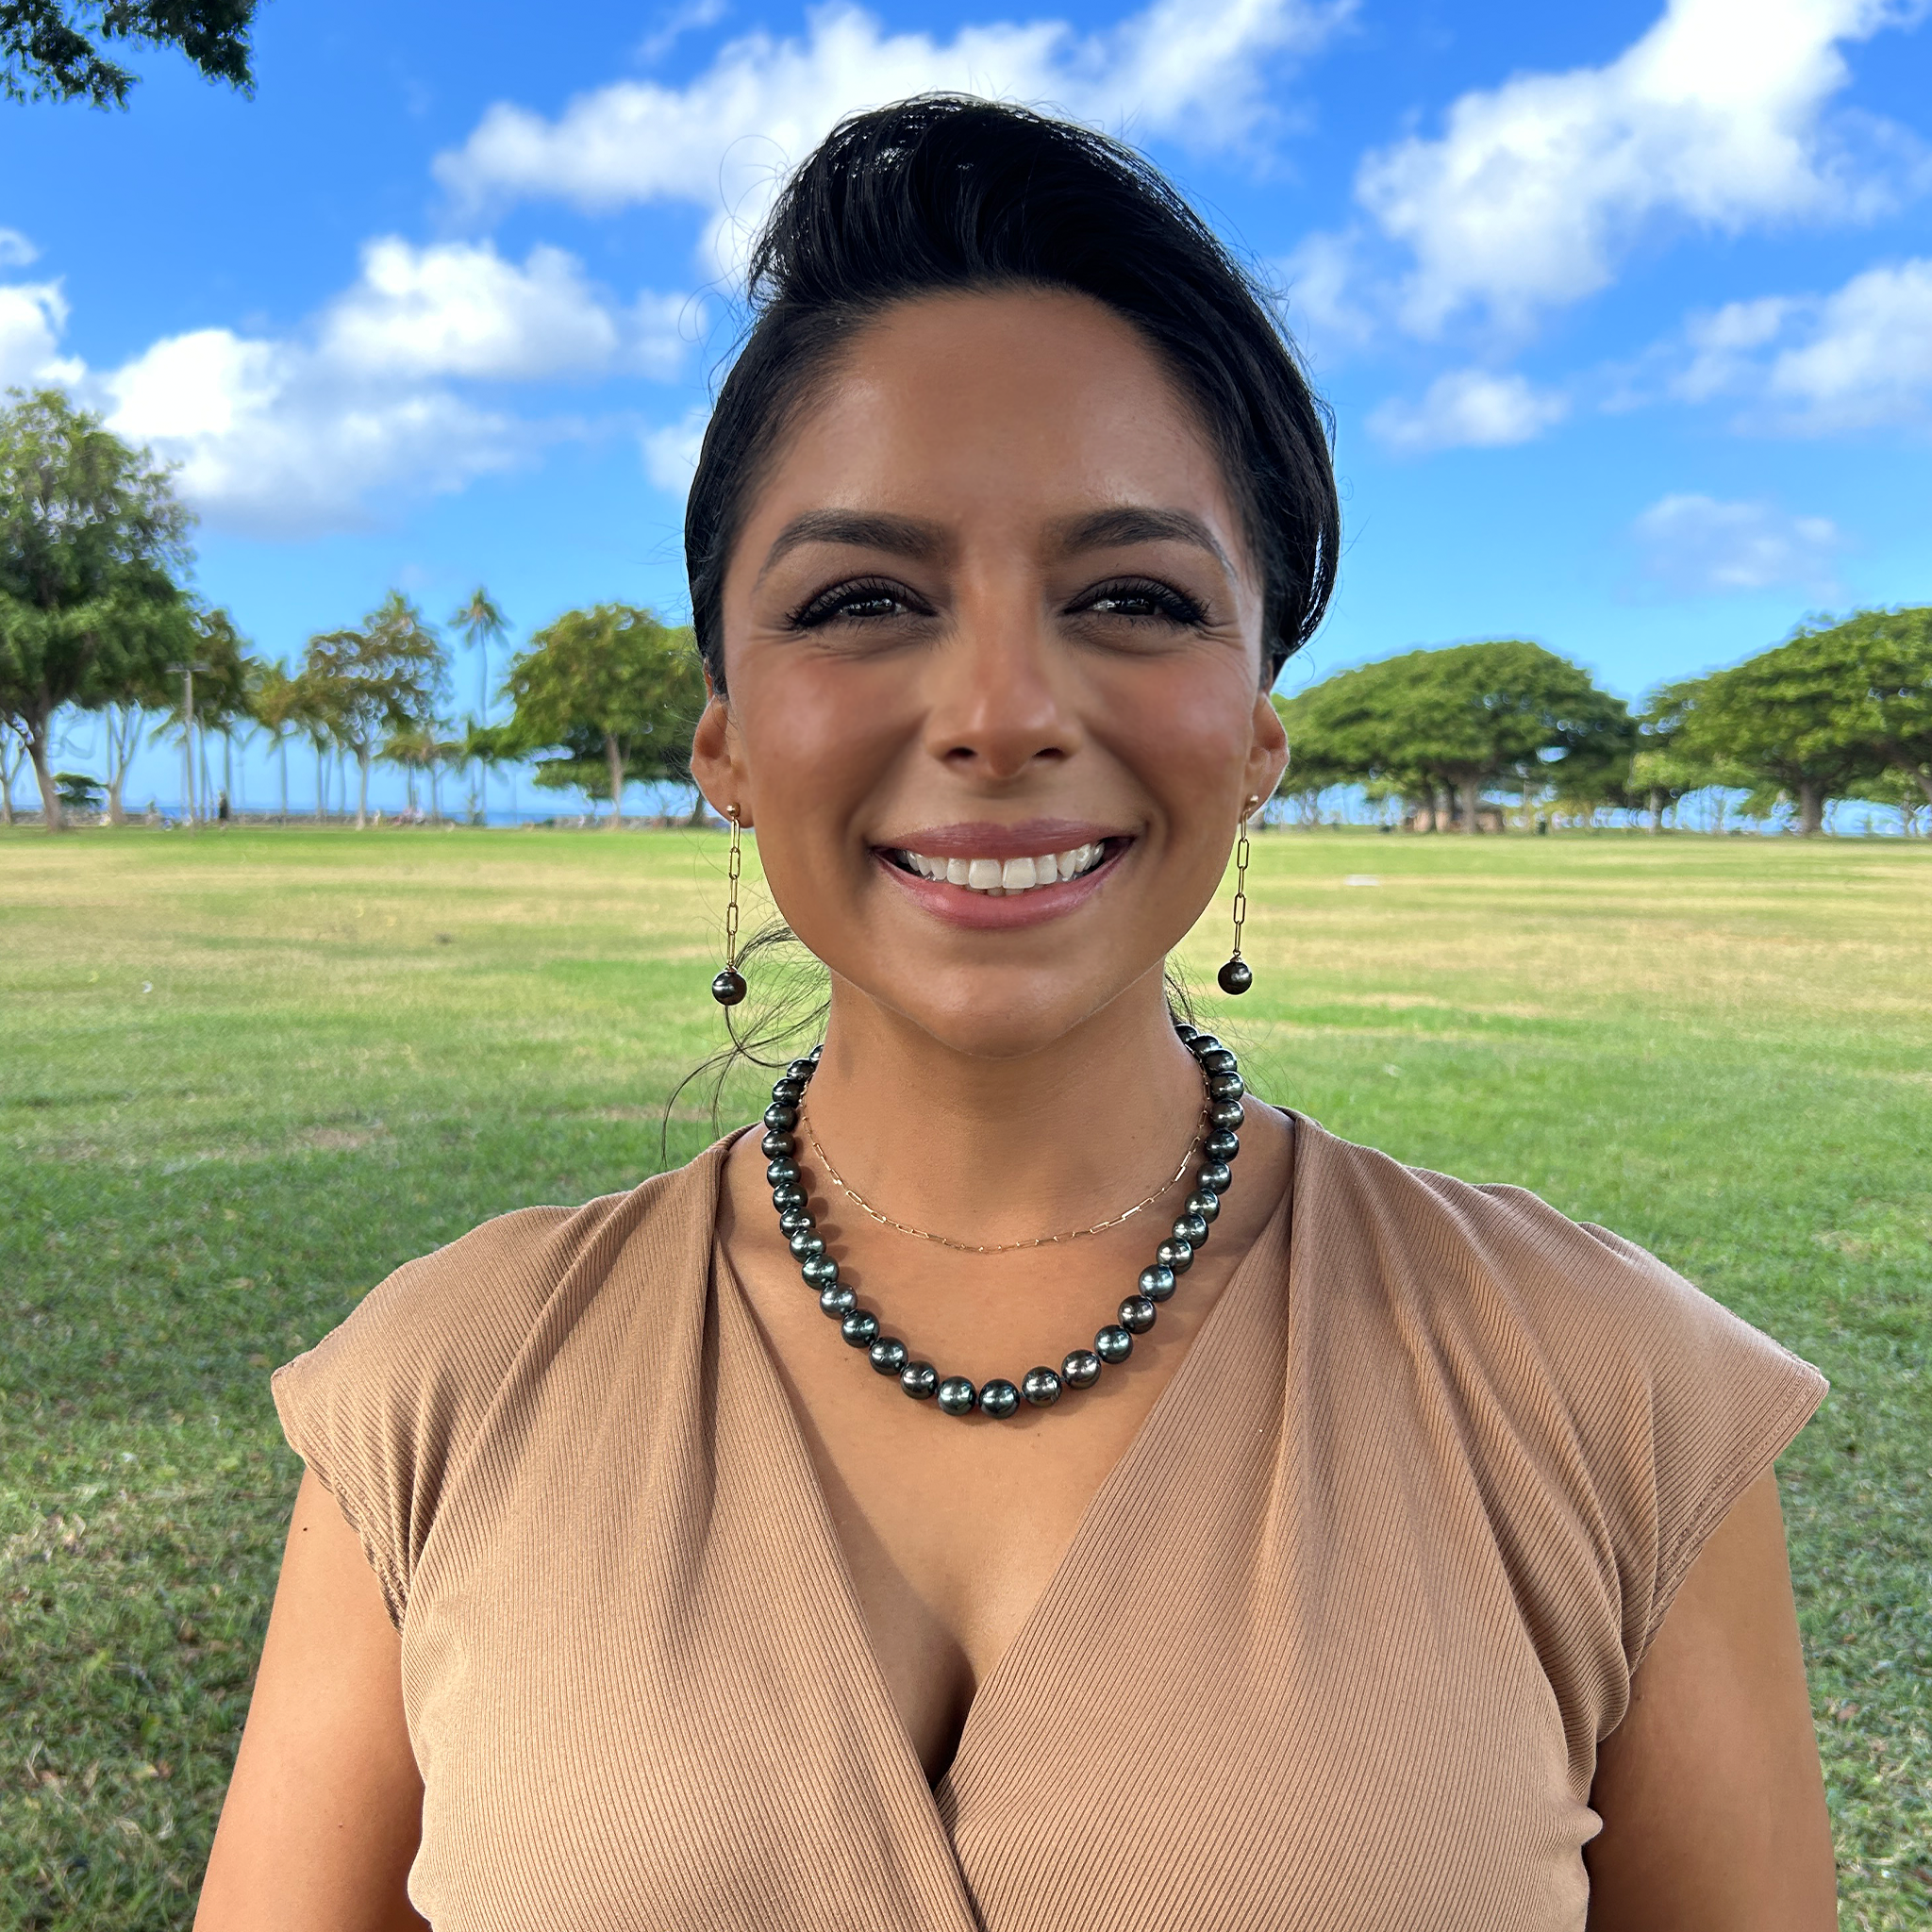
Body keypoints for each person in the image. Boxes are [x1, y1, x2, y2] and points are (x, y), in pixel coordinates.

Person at [195, 98, 1835, 1932]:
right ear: (727, 740)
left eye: (1131, 596)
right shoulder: (439, 1388)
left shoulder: (1614, 1392)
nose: (997, 709)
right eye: (864, 598)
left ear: (1258, 734)